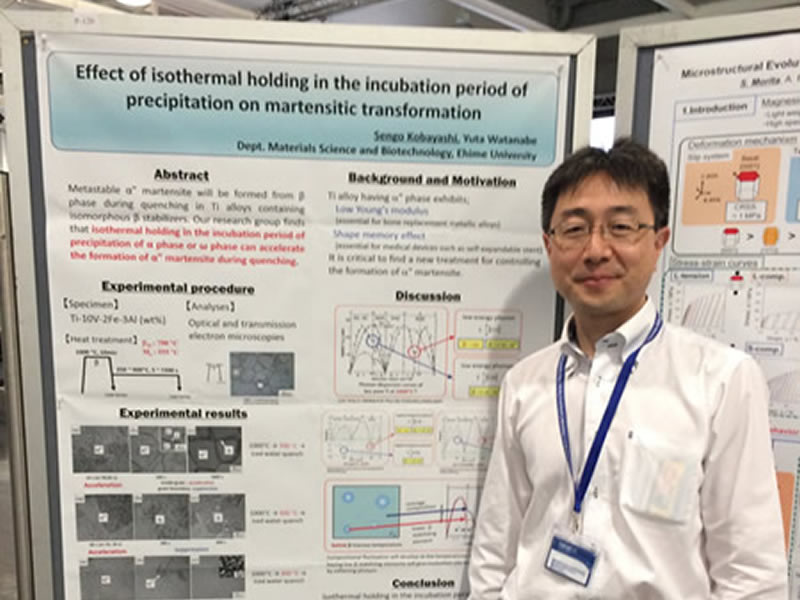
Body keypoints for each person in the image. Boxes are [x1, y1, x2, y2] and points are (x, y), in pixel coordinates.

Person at [468, 138, 787, 599]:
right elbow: (495, 552)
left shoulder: (721, 381)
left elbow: (752, 576)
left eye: (620, 227)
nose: (596, 250)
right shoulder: (525, 383)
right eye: (574, 229)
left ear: (658, 242)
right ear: (549, 245)